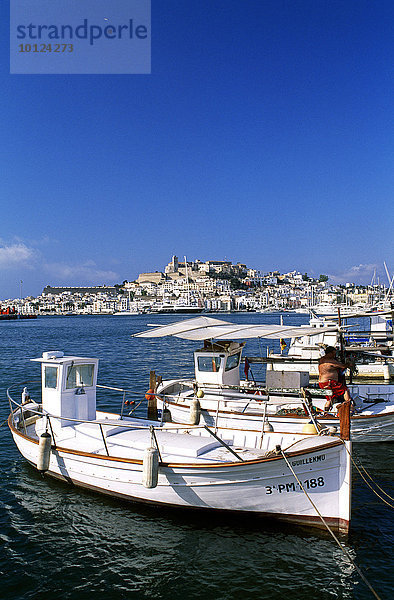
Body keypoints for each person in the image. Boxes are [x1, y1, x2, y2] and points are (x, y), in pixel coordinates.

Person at [318, 346, 353, 412]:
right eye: (334, 353)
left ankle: (326, 412)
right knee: (345, 390)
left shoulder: (322, 360)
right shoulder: (330, 361)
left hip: (322, 383)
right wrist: (349, 364)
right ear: (330, 353)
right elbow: (343, 366)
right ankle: (350, 407)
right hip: (329, 382)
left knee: (329, 399)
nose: (334, 355)